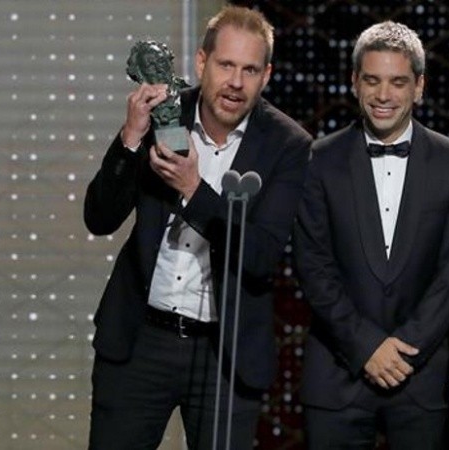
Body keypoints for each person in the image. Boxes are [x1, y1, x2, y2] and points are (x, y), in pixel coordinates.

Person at [84, 5, 312, 450]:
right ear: (202, 62)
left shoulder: (288, 145)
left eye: (249, 70)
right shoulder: (164, 115)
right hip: (138, 342)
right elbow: (99, 218)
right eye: (226, 65)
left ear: (266, 76)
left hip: (224, 355)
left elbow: (261, 256)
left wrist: (194, 189)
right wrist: (130, 138)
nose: (236, 82)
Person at [293, 21, 449, 449]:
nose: (383, 95)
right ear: (355, 82)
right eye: (372, 81)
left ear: (419, 86)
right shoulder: (318, 160)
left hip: (422, 378)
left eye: (398, 82)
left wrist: (406, 347)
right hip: (338, 375)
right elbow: (313, 266)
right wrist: (366, 347)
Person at [126, 40, 189, 127]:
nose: (159, 69)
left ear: (170, 62)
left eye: (161, 61)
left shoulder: (192, 96)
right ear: (140, 75)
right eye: (150, 66)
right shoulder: (140, 108)